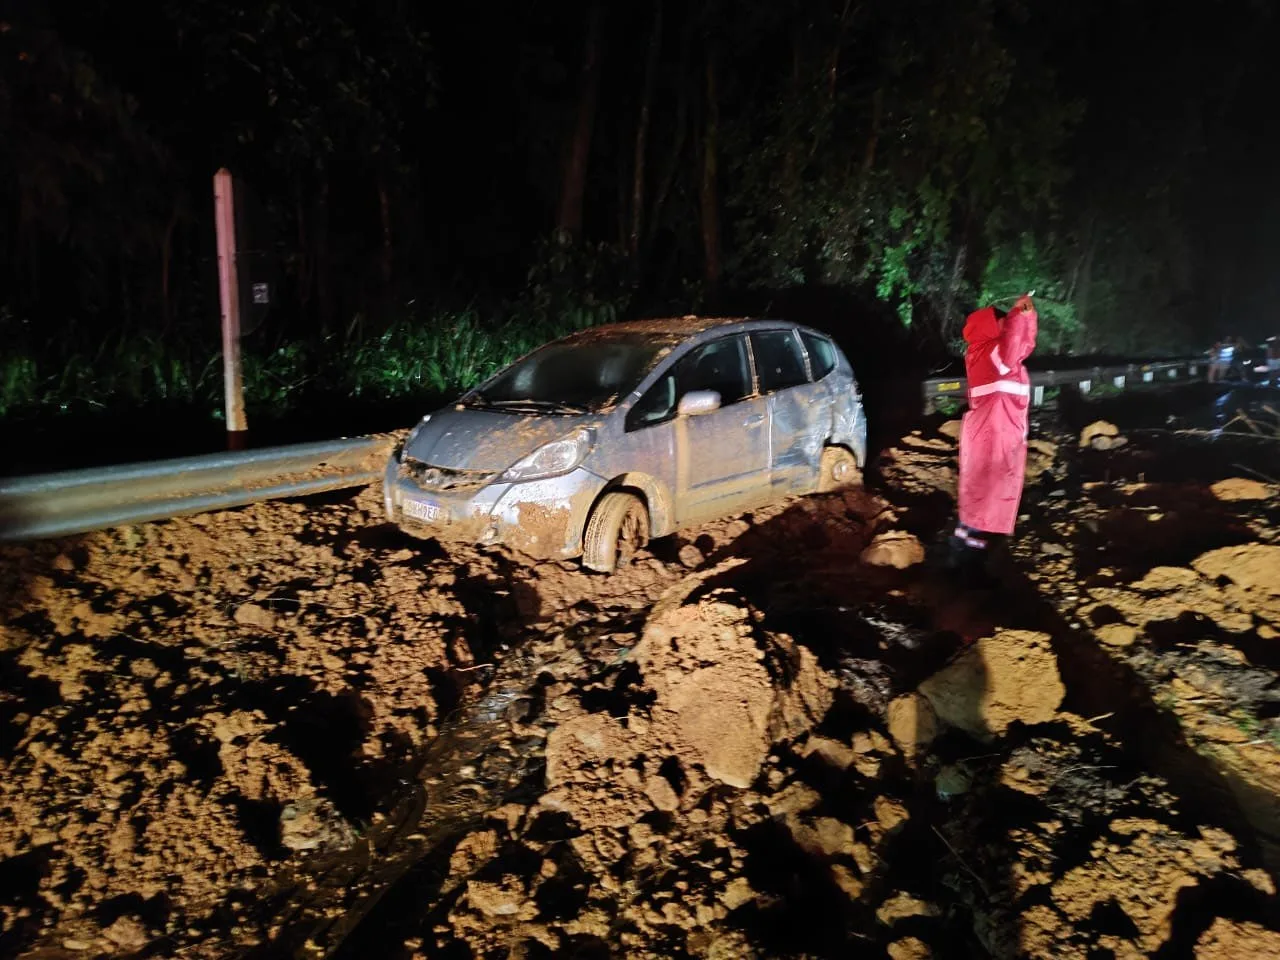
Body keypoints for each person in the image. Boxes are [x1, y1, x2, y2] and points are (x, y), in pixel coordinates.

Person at [948, 294, 1038, 579]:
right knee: (990, 495)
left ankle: (961, 552)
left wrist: (1022, 315)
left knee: (980, 491)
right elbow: (1018, 342)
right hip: (998, 431)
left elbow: (1022, 343)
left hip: (989, 428)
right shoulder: (998, 352)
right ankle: (970, 563)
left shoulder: (980, 351)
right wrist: (1023, 310)